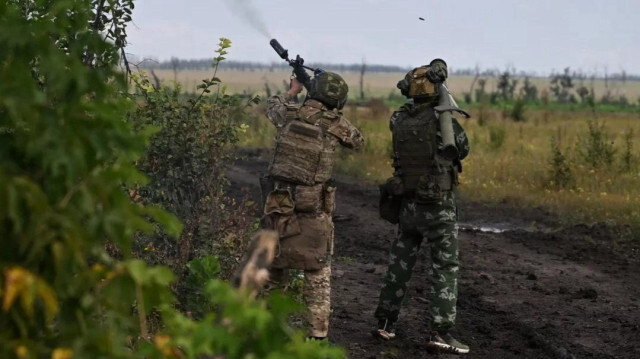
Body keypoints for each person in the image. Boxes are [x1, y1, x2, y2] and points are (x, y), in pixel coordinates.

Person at [372, 59, 471, 354]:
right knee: (445, 267)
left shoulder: (398, 120)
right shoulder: (444, 122)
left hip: (408, 206)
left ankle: (386, 323)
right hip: (438, 207)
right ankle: (441, 331)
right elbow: (462, 148)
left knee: (400, 264)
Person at [259, 71, 364, 340]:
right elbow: (357, 141)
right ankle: (317, 338)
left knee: (273, 272)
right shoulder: (336, 124)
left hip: (278, 209)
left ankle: (267, 335)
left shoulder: (288, 113)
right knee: (317, 276)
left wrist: (293, 91)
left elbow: (273, 107)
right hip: (314, 211)